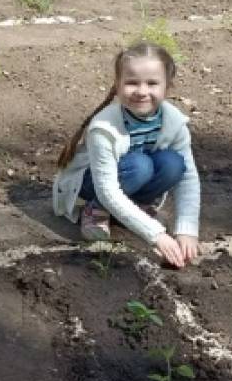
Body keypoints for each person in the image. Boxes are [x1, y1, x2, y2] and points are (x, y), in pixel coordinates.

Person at [52, 42, 201, 268]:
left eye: (152, 83)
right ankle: (96, 209)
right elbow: (107, 188)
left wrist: (187, 230)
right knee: (141, 166)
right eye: (132, 83)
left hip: (134, 176)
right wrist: (156, 235)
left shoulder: (174, 121)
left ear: (168, 86)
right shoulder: (104, 127)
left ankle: (134, 207)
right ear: (118, 84)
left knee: (174, 164)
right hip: (95, 183)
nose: (142, 91)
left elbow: (188, 178)